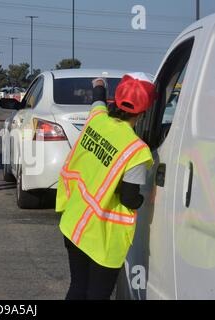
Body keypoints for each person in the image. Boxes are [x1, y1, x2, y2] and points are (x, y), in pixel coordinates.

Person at [56, 73, 157, 300]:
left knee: (78, 287)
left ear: (117, 100)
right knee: (98, 295)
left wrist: (99, 85)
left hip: (75, 223)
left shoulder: (97, 119)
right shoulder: (136, 150)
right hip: (103, 236)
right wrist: (147, 197)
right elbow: (130, 199)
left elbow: (98, 100)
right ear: (144, 111)